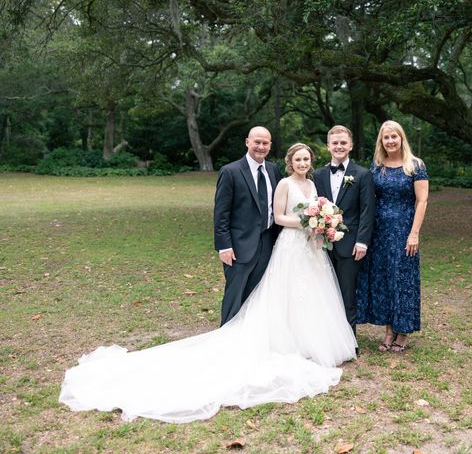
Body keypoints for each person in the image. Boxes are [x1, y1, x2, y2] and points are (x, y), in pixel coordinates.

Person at [59, 143, 357, 423]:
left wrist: (321, 226)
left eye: (306, 159)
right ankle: (270, 338)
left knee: (310, 295)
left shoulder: (311, 184)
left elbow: (306, 211)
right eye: (297, 159)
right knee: (283, 294)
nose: (303, 163)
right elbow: (278, 216)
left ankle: (309, 342)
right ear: (289, 162)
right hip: (291, 245)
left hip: (309, 249)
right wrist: (308, 220)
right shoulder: (282, 182)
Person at [356, 120, 429, 352]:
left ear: (401, 138)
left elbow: (422, 200)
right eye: (386, 137)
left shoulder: (415, 165)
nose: (390, 141)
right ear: (381, 141)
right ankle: (389, 330)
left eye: (393, 137)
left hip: (404, 229)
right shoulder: (378, 166)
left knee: (403, 279)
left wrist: (414, 234)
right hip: (380, 232)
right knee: (385, 279)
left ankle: (403, 332)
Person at [314, 125, 375, 350]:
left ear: (350, 146)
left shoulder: (362, 174)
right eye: (335, 143)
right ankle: (326, 339)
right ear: (328, 146)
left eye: (343, 143)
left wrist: (362, 242)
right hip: (322, 245)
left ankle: (349, 343)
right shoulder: (318, 174)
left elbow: (368, 211)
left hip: (350, 245)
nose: (339, 146)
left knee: (347, 293)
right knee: (324, 292)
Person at [214, 126, 282, 325]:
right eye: (257, 142)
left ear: (270, 145)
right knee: (235, 294)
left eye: (265, 143)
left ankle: (248, 335)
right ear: (247, 142)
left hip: (267, 241)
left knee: (257, 294)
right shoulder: (230, 171)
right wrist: (224, 246)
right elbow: (221, 213)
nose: (260, 147)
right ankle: (226, 335)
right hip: (238, 245)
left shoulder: (273, 170)